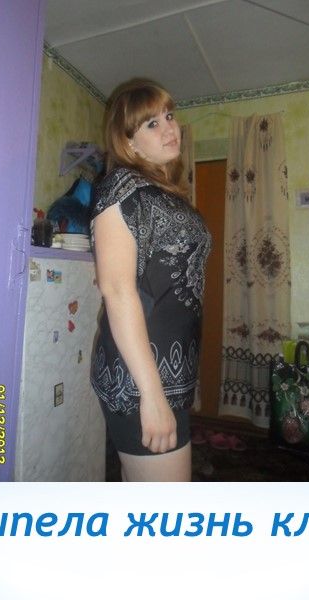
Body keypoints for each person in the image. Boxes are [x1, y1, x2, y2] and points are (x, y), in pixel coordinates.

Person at [90, 78, 212, 482]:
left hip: (164, 373)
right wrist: (152, 395)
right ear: (129, 142)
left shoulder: (162, 192)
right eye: (152, 124)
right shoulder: (123, 187)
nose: (170, 128)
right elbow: (117, 289)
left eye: (169, 116)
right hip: (141, 379)